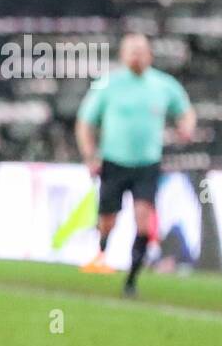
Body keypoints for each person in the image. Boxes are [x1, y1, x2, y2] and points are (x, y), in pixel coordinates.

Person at [76, 33, 195, 296]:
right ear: (122, 54)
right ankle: (102, 249)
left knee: (143, 221)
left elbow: (185, 110)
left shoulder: (164, 85)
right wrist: (90, 155)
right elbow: (85, 121)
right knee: (109, 219)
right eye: (131, 50)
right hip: (114, 162)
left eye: (141, 50)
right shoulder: (108, 84)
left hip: (146, 165)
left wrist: (186, 127)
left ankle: (131, 279)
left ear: (150, 54)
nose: (136, 55)